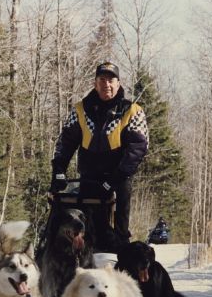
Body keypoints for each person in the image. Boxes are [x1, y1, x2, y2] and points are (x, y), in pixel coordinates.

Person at [51, 61, 149, 246]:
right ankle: (82, 251)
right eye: (102, 80)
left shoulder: (132, 111)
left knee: (121, 202)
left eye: (111, 80)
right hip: (90, 174)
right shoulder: (80, 110)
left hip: (119, 176)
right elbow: (66, 142)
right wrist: (58, 169)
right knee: (86, 216)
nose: (107, 84)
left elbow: (138, 148)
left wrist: (114, 178)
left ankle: (121, 246)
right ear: (95, 83)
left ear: (118, 83)